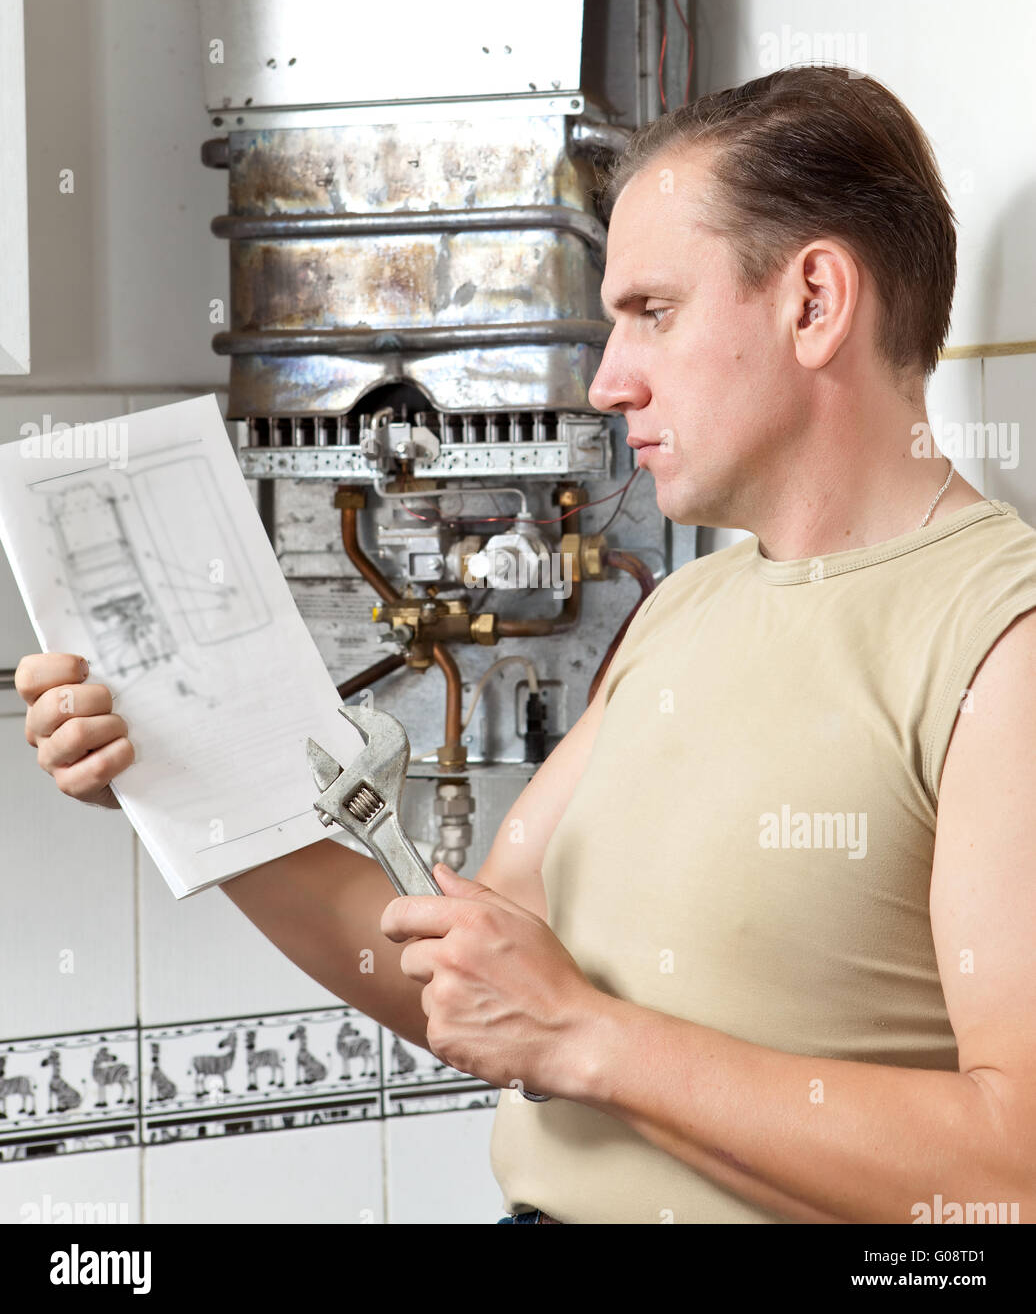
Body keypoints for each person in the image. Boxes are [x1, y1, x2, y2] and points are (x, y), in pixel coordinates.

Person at [16, 65, 1036, 1225]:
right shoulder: (684, 611)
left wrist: (588, 1037)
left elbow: (1014, 1169)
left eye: (651, 311)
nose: (607, 380)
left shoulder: (1000, 643)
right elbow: (466, 971)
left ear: (812, 302)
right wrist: (180, 773)